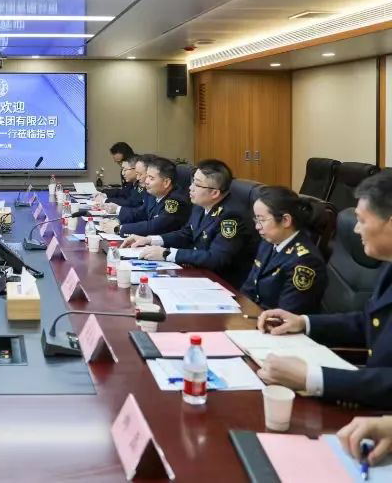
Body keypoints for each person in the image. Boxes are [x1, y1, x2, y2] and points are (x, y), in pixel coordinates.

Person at [257, 171, 392, 409]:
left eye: (362, 220)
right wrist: (303, 322)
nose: (356, 230)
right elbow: (369, 322)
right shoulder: (388, 265)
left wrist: (312, 377)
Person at [122, 159, 251, 287]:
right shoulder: (201, 205)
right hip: (198, 273)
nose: (190, 188)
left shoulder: (231, 217)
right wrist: (150, 240)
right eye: (192, 182)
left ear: (214, 193)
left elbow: (215, 258)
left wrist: (167, 254)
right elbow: (187, 233)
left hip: (220, 284)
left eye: (197, 184)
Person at [241, 186, 327, 314]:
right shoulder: (269, 242)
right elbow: (248, 289)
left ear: (286, 220)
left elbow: (286, 314)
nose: (257, 226)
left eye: (262, 220)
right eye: (256, 219)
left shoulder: (305, 262)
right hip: (253, 315)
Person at [100, 156, 190, 237]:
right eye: (147, 176)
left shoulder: (176, 201)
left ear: (166, 182)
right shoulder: (153, 194)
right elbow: (140, 214)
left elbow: (155, 227)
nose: (146, 181)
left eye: (151, 178)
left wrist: (119, 229)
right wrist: (117, 220)